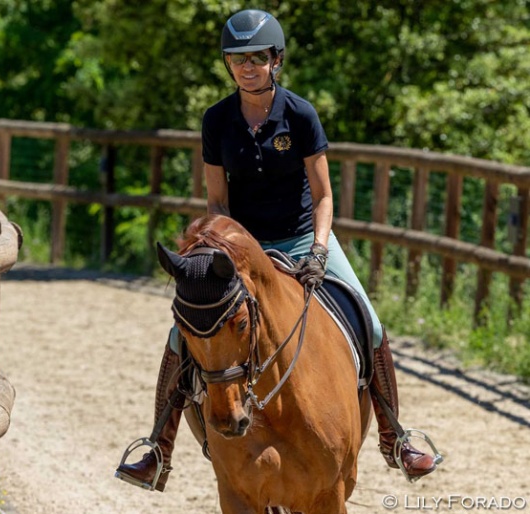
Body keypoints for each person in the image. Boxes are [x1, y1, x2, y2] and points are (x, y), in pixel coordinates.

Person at [115, 8, 439, 492]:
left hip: (303, 238)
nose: (248, 67)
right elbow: (217, 200)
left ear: (276, 60)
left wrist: (320, 250)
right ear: (228, 64)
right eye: (238, 58)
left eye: (258, 58)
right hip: (242, 248)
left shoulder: (301, 114)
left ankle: (395, 437)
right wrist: (222, 249)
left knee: (368, 321)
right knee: (183, 333)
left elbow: (324, 194)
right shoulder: (217, 120)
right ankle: (158, 449)